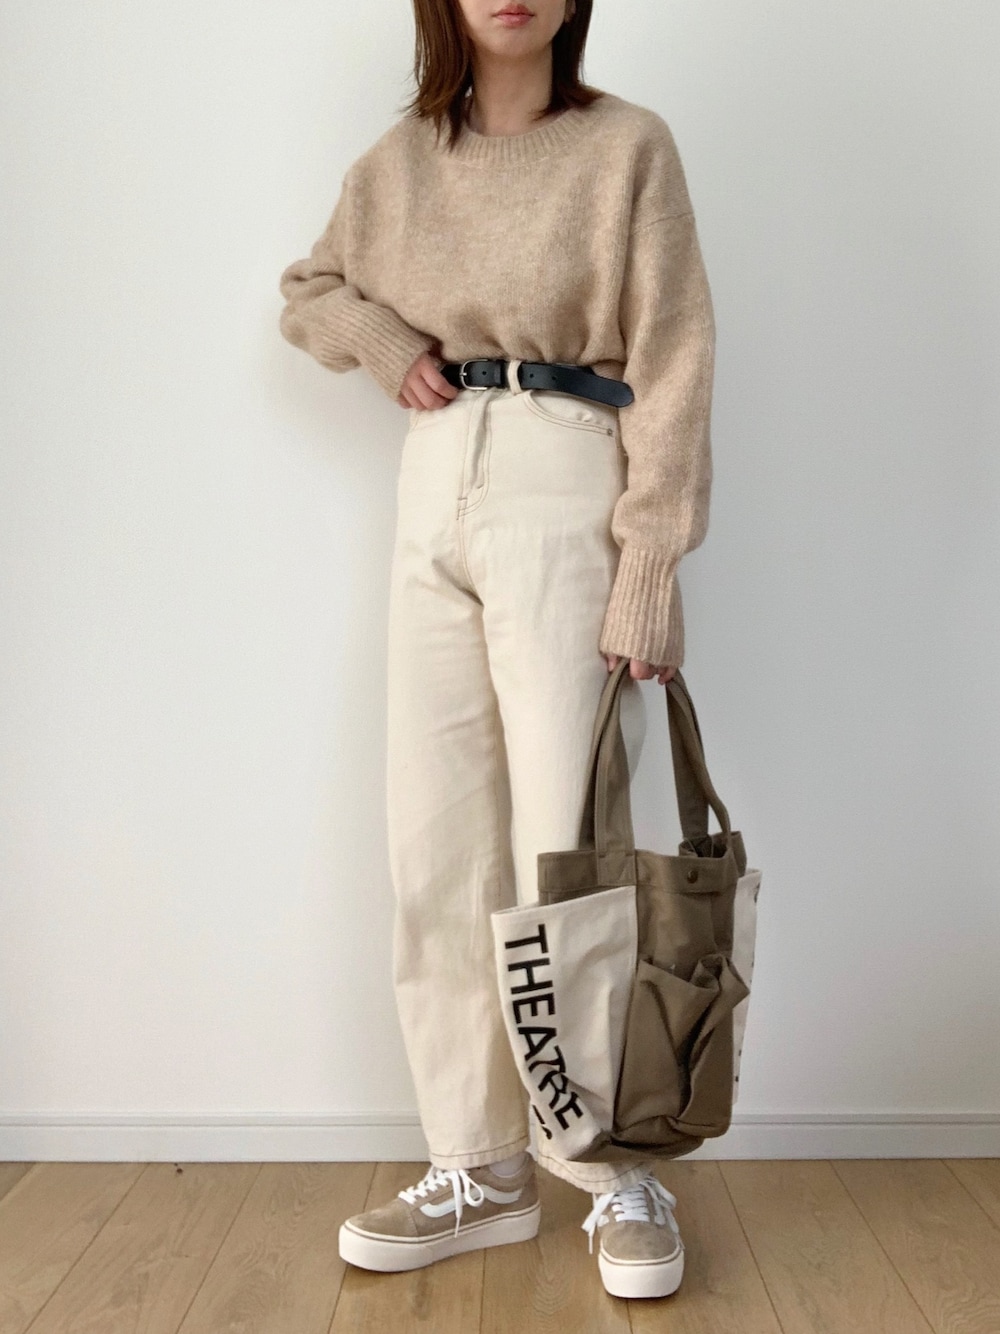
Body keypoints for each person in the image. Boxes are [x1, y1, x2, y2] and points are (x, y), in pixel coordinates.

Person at [277, 0, 715, 1302]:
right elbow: (309, 288)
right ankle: (479, 1164)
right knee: (436, 845)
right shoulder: (400, 163)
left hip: (567, 471)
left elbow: (675, 356)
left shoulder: (627, 148)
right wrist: (384, 341)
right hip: (434, 481)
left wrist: (650, 564)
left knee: (564, 848)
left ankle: (608, 1162)